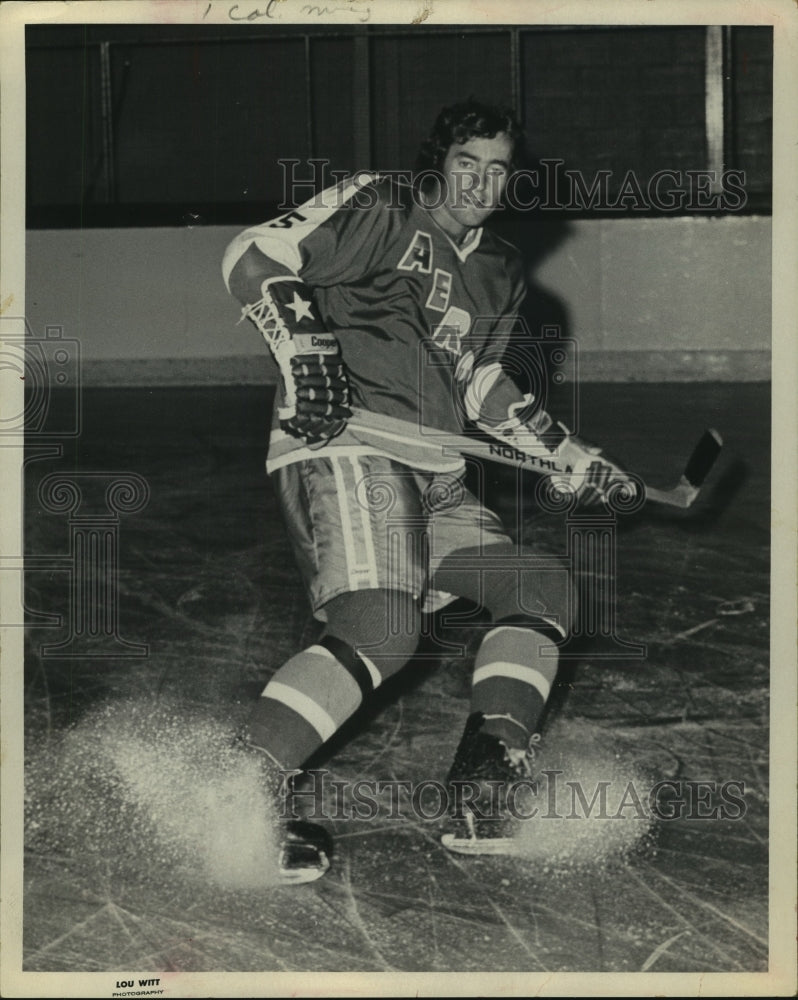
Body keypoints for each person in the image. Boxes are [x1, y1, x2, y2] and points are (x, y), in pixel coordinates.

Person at [222, 98, 633, 882]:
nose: (480, 181)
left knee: (540, 588)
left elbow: (481, 385)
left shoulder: (501, 268)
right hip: (350, 446)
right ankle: (238, 794)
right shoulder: (381, 206)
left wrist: (571, 451)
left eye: (497, 168)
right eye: (466, 162)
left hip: (436, 471)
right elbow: (251, 255)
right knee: (382, 624)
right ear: (438, 162)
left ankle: (481, 792)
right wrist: (306, 347)